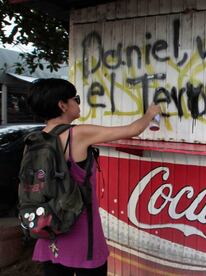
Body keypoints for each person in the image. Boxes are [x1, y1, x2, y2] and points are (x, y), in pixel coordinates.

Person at [26, 78, 161, 276]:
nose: (78, 104)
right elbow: (133, 130)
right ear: (62, 105)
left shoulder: (32, 141)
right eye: (75, 99)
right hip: (81, 233)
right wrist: (151, 113)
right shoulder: (78, 134)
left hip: (47, 229)